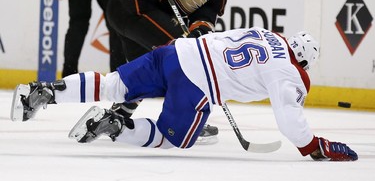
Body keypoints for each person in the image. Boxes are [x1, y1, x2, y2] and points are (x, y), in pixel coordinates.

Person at [10, 27, 358, 161]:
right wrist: (312, 145)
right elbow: (287, 115)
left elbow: (217, 36)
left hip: (177, 52)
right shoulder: (290, 71)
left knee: (113, 82)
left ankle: (41, 92)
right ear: (303, 61)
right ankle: (114, 126)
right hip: (198, 83)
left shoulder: (264, 32)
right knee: (170, 139)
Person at [105, 0, 248, 143]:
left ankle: (119, 114)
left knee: (146, 68)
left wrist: (198, 35)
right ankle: (185, 120)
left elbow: (202, 23)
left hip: (136, 17)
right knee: (184, 56)